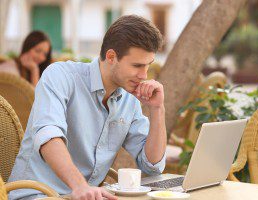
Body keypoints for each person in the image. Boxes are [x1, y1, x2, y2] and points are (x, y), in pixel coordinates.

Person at [8, 15, 166, 200]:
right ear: (111, 57)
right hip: (36, 195)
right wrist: (81, 187)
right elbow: (48, 137)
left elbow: (152, 165)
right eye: (137, 65)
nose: (144, 75)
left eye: (148, 65)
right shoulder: (60, 76)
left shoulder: (128, 101)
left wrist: (157, 110)